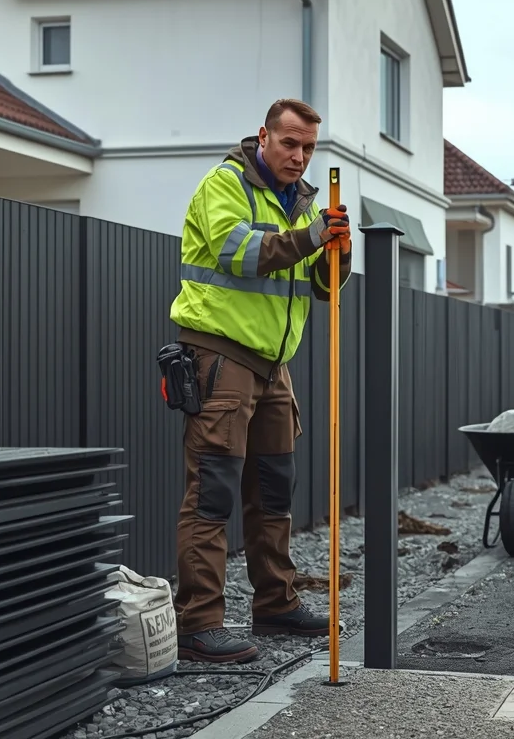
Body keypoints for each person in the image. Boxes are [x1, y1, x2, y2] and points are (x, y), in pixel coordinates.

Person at [168, 98, 352, 663]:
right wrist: (311, 237)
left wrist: (337, 255)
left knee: (274, 491)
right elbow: (240, 254)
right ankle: (198, 623)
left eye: (309, 148)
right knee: (212, 493)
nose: (299, 156)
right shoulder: (224, 185)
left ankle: (275, 603)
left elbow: (321, 288)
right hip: (222, 358)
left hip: (274, 367)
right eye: (290, 143)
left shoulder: (300, 204)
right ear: (263, 137)